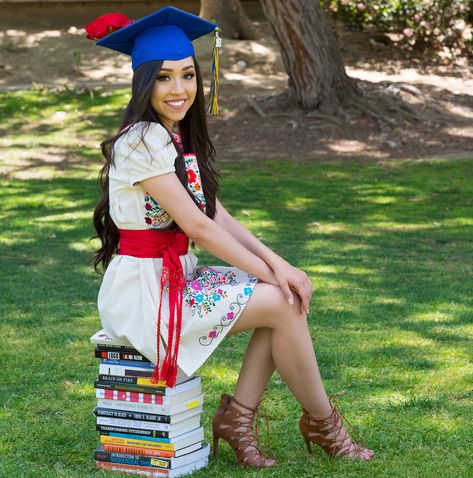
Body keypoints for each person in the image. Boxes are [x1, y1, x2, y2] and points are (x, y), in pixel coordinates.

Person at [88, 5, 374, 470]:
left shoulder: (172, 137)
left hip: (174, 278)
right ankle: (324, 428)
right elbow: (198, 228)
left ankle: (240, 420)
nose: (179, 89)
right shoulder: (140, 142)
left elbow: (216, 215)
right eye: (164, 78)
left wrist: (280, 266)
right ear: (143, 83)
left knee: (281, 300)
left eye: (187, 75)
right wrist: (276, 277)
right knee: (282, 303)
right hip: (145, 296)